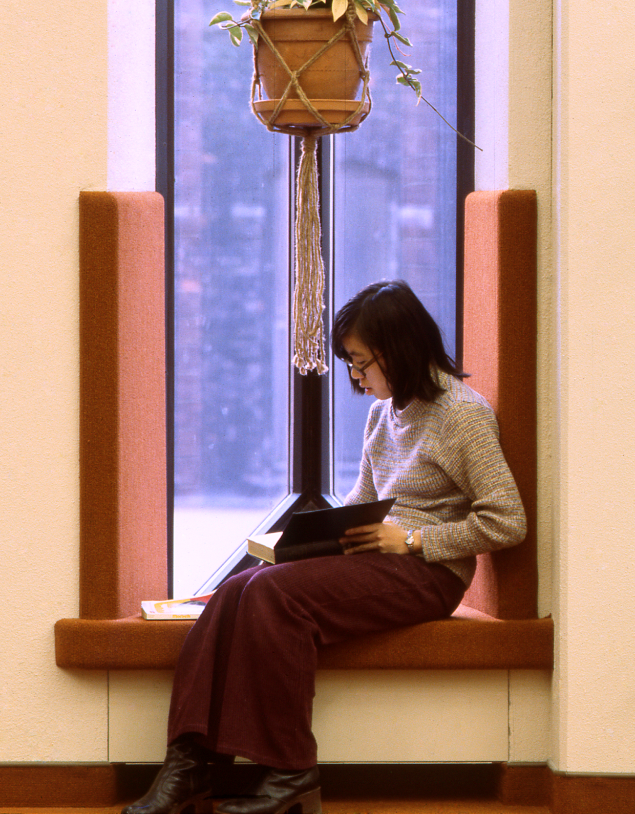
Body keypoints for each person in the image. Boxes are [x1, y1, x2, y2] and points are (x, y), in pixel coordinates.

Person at [123, 280, 526, 814]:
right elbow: (364, 501)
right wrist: (308, 540)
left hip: (429, 572)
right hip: (375, 557)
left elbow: (507, 521)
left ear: (396, 349)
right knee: (235, 589)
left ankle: (291, 772)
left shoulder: (462, 414)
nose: (355, 378)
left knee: (273, 596)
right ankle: (189, 762)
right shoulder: (383, 413)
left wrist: (412, 539)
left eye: (360, 363)